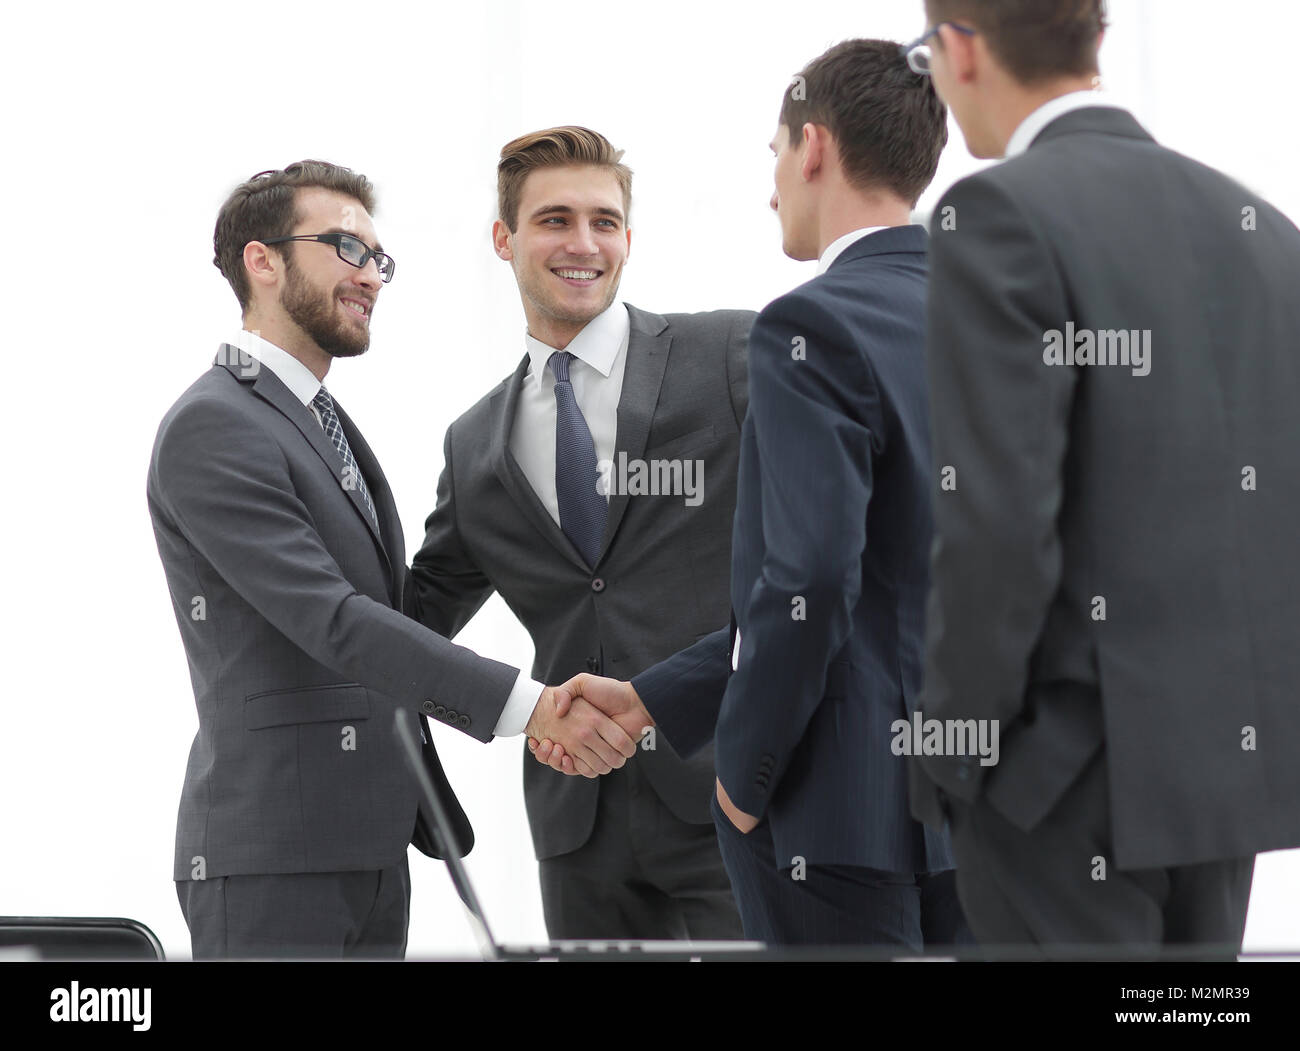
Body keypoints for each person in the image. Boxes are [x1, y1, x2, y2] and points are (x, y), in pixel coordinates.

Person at [534, 41, 970, 948]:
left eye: (775, 154)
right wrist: (658, 695)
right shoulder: (1000, 314)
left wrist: (745, 773)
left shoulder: (810, 323)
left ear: (813, 147)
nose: (773, 186)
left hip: (837, 818)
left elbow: (812, 578)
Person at [146, 160, 636, 959]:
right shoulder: (216, 424)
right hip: (275, 855)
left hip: (366, 848)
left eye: (380, 258)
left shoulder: (317, 420)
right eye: (346, 247)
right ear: (261, 261)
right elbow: (335, 619)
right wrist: (533, 706)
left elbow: (396, 607)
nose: (372, 275)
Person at [904, 0, 1300, 951]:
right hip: (1222, 780)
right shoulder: (1266, 227)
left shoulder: (993, 210)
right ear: (1097, 43)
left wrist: (951, 752)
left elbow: (997, 523)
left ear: (960, 49)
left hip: (1058, 783)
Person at [406, 127, 751, 939]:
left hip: (734, 794)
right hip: (578, 826)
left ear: (629, 237)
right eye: (555, 219)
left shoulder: (730, 354)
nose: (584, 243)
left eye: (604, 220)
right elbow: (414, 619)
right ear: (506, 238)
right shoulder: (474, 442)